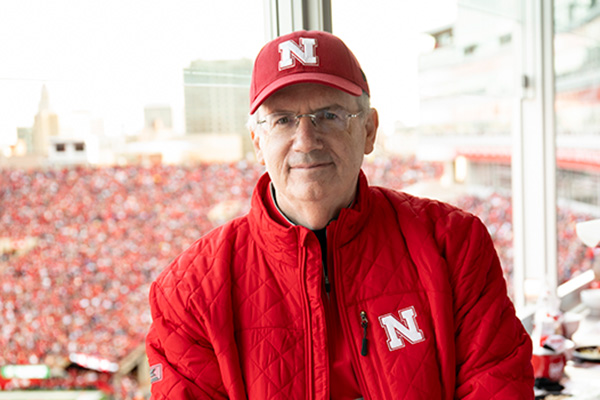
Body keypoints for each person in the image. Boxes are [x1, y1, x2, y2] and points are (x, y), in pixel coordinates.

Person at [146, 30, 534, 399]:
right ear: (258, 143)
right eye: (283, 119)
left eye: (329, 115)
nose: (306, 140)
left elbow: (498, 383)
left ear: (368, 130)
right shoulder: (189, 291)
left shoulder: (454, 244)